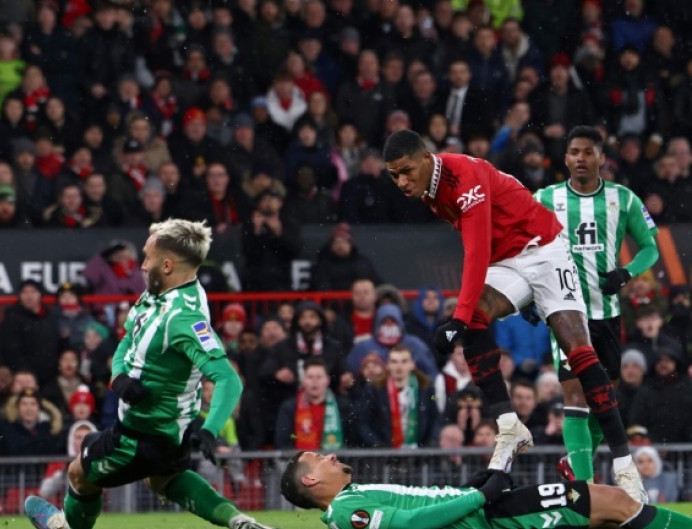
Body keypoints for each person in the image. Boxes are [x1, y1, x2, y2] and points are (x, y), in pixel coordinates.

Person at [382, 129, 645, 501]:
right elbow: (483, 247)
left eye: (406, 171)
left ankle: (625, 467)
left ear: (427, 158)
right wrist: (508, 303)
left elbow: (474, 250)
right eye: (394, 176)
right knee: (476, 320)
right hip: (507, 261)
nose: (402, 182)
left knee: (579, 353)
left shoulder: (463, 179)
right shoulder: (429, 191)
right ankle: (510, 426)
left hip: (546, 250)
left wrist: (457, 317)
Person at [25, 219, 275, 529]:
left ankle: (64, 527)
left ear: (167, 265)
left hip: (142, 433)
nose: (141, 266)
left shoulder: (183, 318)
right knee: (161, 480)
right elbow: (128, 338)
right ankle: (239, 522)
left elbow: (228, 378)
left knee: (79, 471)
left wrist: (210, 430)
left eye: (147, 258)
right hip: (170, 429)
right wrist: (119, 378)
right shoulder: (159, 293)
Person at [534, 126, 660, 484]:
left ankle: (576, 464)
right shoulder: (545, 198)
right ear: (565, 158)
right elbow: (519, 243)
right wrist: (530, 294)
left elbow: (650, 246)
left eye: (589, 152)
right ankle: (586, 490)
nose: (581, 158)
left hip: (608, 314)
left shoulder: (624, 199)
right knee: (575, 394)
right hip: (565, 314)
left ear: (602, 158)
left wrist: (626, 273)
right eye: (575, 152)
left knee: (605, 399)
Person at [280, 451, 692, 529]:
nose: (330, 456)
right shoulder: (346, 512)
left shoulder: (353, 498)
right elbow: (411, 523)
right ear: (310, 480)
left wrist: (468, 487)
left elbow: (423, 504)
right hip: (490, 517)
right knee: (611, 502)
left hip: (483, 510)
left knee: (603, 514)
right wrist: (481, 495)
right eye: (318, 459)